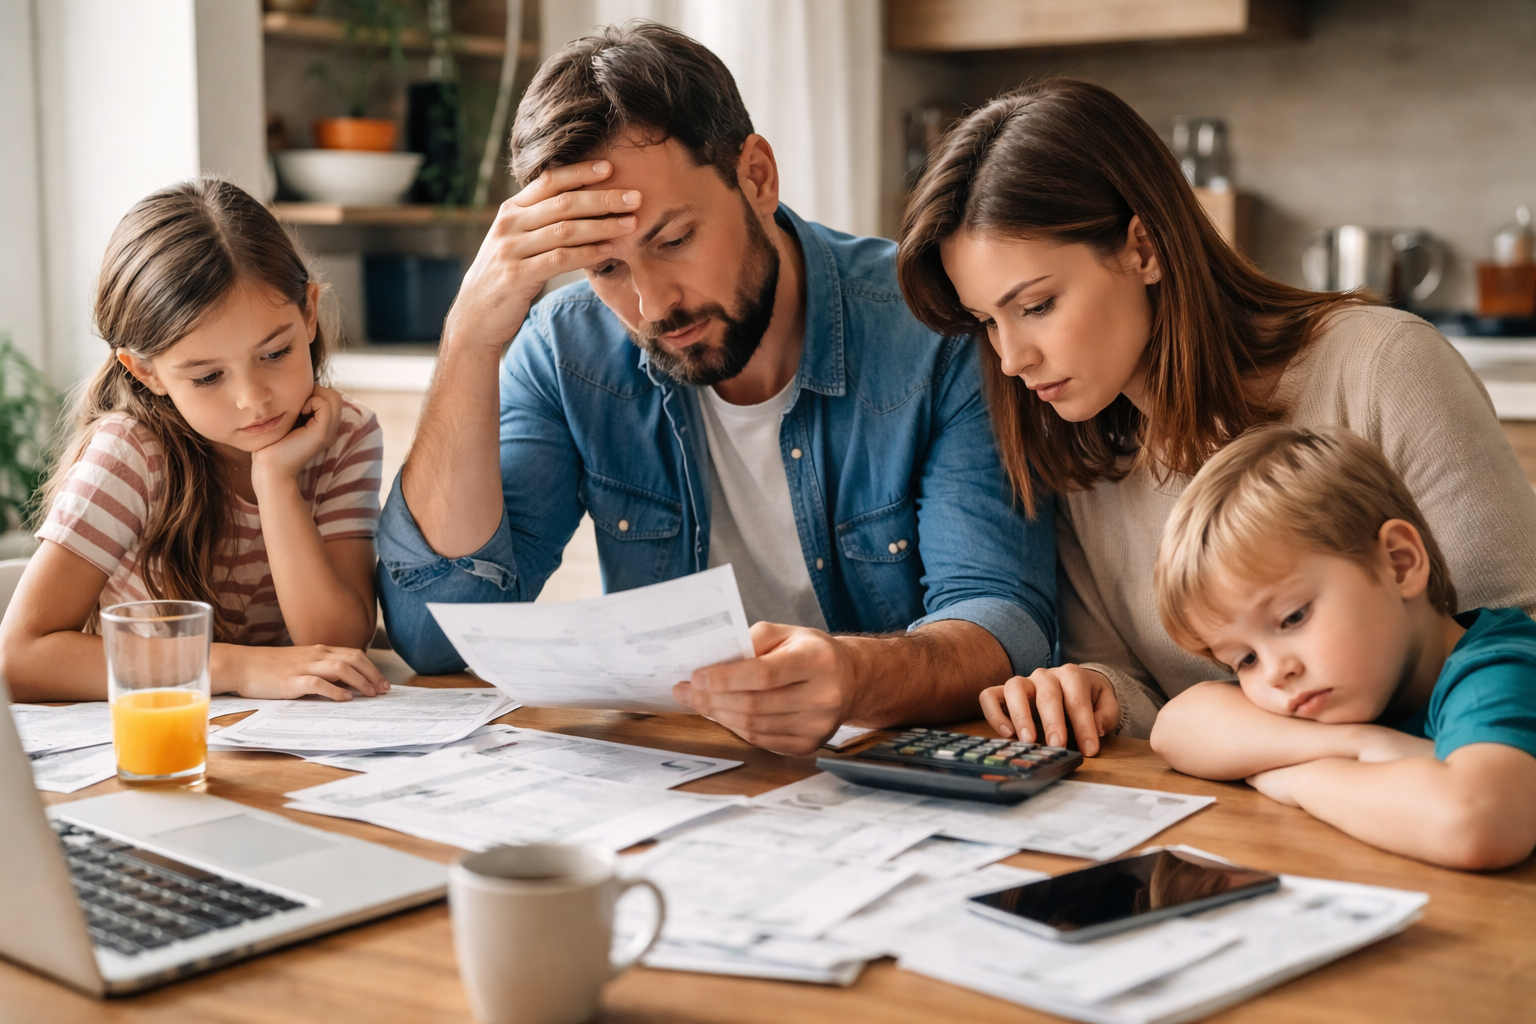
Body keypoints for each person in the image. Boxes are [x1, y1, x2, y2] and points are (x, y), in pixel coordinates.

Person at [375, 23, 1056, 755]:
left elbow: (1004, 620)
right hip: (680, 779)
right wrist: (471, 337)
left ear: (756, 176)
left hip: (893, 781)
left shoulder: (932, 330)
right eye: (605, 269)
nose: (651, 303)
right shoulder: (568, 350)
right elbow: (433, 633)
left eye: (673, 241)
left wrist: (855, 675)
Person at [896, 78, 1536, 752]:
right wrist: (1096, 693)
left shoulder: (1381, 365)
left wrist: (1254, 745)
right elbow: (1138, 685)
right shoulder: (1080, 450)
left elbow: (1515, 634)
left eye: (1036, 306)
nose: (1011, 359)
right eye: (986, 322)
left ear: (1144, 249)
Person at [0, 179, 389, 703]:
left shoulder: (343, 436)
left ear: (309, 313)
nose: (254, 400)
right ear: (146, 372)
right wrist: (240, 669)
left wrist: (275, 480)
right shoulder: (130, 453)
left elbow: (335, 645)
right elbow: (20, 657)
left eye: (275, 353)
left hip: (277, 746)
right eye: (207, 377)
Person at [1148, 425, 1536, 870]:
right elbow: (1175, 729)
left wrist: (1296, 780)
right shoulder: (1350, 691)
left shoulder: (1501, 669)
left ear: (1398, 562)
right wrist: (1362, 745)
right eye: (1245, 659)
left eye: (1293, 617)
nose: (1275, 673)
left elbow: (1474, 825)